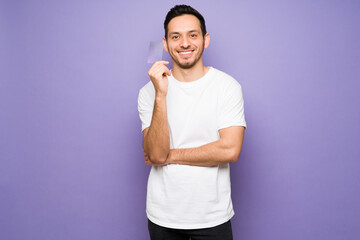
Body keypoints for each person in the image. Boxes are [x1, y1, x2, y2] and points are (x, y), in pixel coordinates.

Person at [138, 4, 246, 240]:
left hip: (212, 217)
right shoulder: (149, 92)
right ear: (165, 44)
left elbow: (230, 149)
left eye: (192, 35)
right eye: (175, 37)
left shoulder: (227, 87)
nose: (184, 43)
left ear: (205, 40)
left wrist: (172, 155)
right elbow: (156, 155)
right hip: (162, 217)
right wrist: (161, 95)